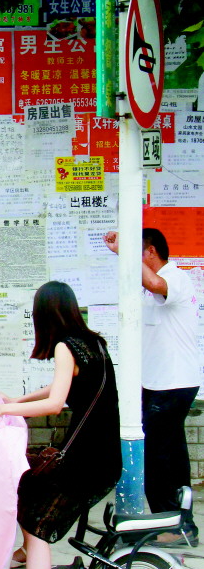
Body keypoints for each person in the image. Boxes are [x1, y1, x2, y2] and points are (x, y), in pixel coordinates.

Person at [0, 281, 121, 569]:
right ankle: (27, 554)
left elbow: (56, 403)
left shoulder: (64, 346)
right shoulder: (94, 343)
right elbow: (63, 386)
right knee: (27, 488)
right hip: (103, 455)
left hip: (87, 458)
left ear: (45, 314)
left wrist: (3, 409)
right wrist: (18, 399)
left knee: (36, 521)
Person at [104, 228, 200, 547]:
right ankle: (179, 522)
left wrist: (124, 251)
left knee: (157, 455)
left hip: (173, 383)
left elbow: (156, 283)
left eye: (138, 252)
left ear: (151, 252)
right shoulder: (149, 287)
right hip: (158, 383)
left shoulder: (176, 278)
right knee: (170, 454)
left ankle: (171, 522)